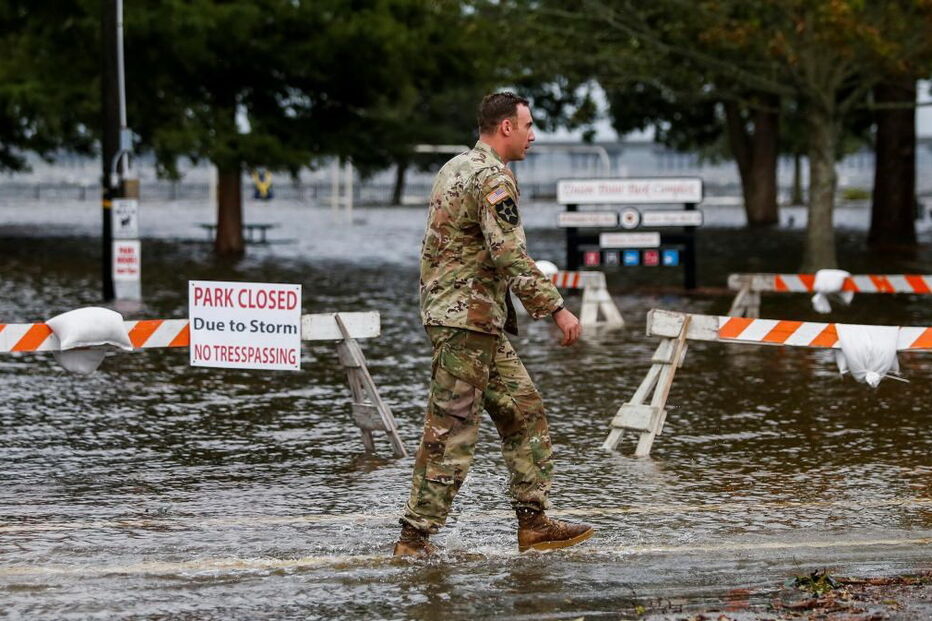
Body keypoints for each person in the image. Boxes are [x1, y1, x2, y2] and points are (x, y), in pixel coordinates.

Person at [393, 92, 594, 557]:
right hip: (466, 321)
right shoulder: (491, 177)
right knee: (451, 429)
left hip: (469, 319)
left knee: (524, 411)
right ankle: (414, 539)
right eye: (528, 125)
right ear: (506, 127)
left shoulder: (455, 167)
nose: (533, 135)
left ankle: (534, 522)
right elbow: (509, 254)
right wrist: (556, 308)